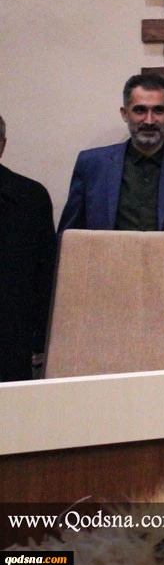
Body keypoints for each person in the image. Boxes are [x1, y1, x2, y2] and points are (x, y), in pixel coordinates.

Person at [59, 74, 164, 367]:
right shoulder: (92, 165)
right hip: (105, 301)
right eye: (140, 110)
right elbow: (69, 240)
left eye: (158, 110)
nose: (149, 120)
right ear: (124, 113)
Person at [0, 114, 56, 381]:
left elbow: (46, 274)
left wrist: (41, 338)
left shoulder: (31, 198)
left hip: (11, 338)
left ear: (2, 145)